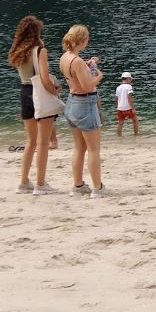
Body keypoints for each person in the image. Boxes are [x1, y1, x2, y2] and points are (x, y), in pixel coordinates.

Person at [8, 15, 63, 195]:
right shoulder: (40, 51)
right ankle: (40, 183)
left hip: (24, 93)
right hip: (38, 93)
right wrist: (55, 91)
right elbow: (44, 79)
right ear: (37, 32)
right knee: (43, 143)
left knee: (31, 141)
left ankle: (24, 181)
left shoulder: (18, 52)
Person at [59, 24, 107, 198]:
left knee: (79, 147)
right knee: (94, 149)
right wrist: (98, 76)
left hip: (72, 101)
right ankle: (97, 187)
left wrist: (88, 67)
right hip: (85, 102)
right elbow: (87, 85)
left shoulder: (65, 58)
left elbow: (76, 77)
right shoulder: (77, 61)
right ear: (82, 40)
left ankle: (78, 184)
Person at [115, 72, 139, 137]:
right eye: (130, 79)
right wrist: (133, 109)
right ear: (128, 78)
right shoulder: (129, 86)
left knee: (120, 123)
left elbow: (116, 99)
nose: (131, 81)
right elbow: (129, 98)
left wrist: (117, 107)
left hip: (120, 108)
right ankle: (136, 135)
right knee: (135, 120)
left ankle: (119, 137)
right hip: (128, 108)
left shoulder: (118, 87)